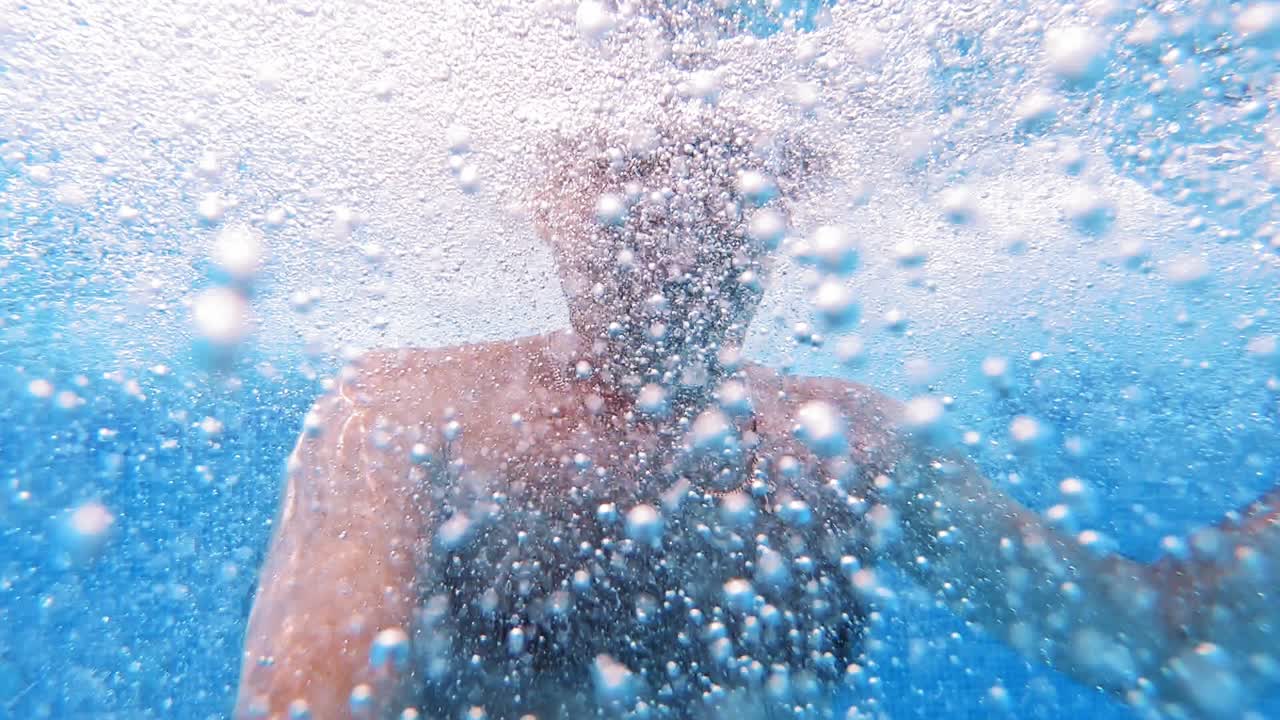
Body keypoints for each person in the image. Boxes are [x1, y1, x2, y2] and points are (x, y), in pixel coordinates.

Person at [234, 110, 1280, 720]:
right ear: (548, 198)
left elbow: (1148, 639)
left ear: (785, 211)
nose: (676, 239)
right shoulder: (407, 411)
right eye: (632, 180)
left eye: (721, 189)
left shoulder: (855, 448)